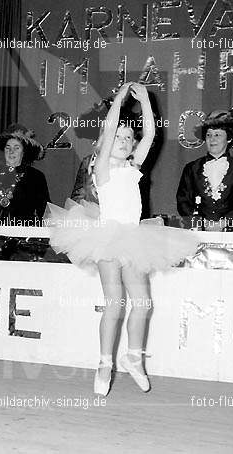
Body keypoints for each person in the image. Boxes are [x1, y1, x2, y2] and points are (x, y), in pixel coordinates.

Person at [45, 83, 199, 396]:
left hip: (135, 237)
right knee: (114, 306)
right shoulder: (101, 168)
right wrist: (119, 99)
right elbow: (111, 124)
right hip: (107, 238)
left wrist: (145, 103)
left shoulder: (134, 168)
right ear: (105, 141)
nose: (125, 141)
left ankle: (134, 357)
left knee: (143, 304)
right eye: (119, 137)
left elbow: (152, 136)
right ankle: (104, 363)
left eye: (130, 138)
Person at [176, 107, 233, 231]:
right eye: (209, 135)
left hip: (230, 233)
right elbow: (183, 202)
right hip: (197, 231)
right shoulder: (191, 168)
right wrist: (201, 222)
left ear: (229, 138)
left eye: (217, 135)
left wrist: (222, 223)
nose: (212, 139)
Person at [0, 130, 50, 225]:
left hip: (24, 232)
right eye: (8, 148)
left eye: (16, 148)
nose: (11, 152)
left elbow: (44, 210)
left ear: (24, 152)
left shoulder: (35, 176)